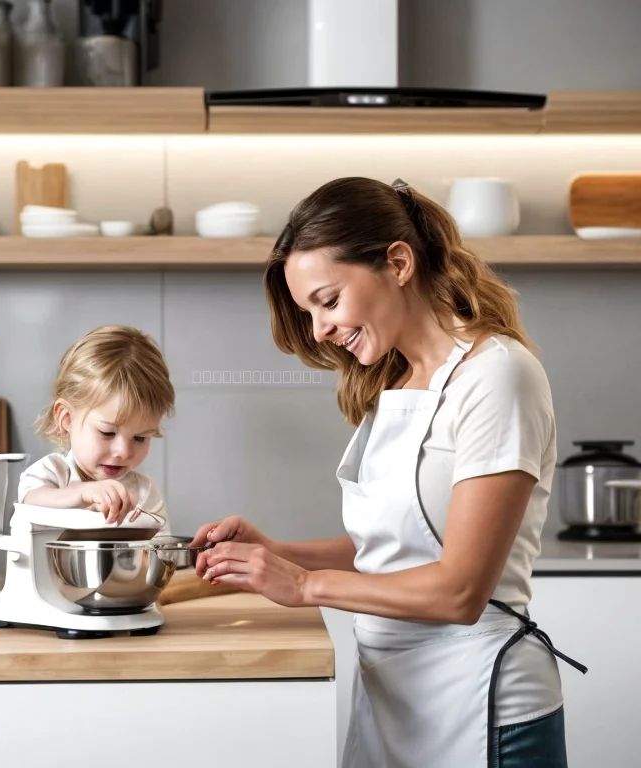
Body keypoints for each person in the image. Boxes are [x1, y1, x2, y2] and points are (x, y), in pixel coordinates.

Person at [191, 177, 586, 768]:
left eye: (328, 300)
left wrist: (302, 586)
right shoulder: (393, 385)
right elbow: (391, 553)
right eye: (309, 311)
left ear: (397, 262)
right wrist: (280, 553)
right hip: (394, 701)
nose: (320, 328)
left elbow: (458, 589)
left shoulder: (498, 377)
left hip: (481, 707)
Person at [18, 324, 174, 532]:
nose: (123, 452)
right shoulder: (51, 474)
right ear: (66, 419)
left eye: (139, 438)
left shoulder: (145, 493)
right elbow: (31, 502)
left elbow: (160, 553)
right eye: (107, 433)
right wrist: (83, 492)